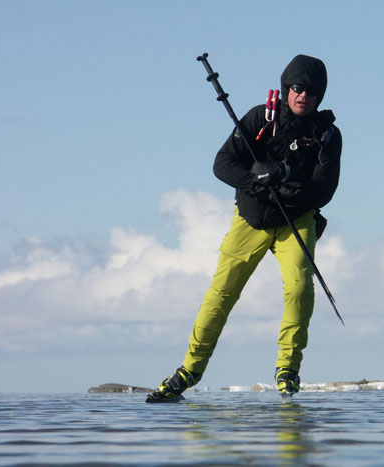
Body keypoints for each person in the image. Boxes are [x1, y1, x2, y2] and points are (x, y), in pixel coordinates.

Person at [146, 54, 342, 402]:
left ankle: (287, 369)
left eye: (312, 91)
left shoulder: (328, 135)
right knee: (220, 294)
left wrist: (286, 176)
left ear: (320, 96)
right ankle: (189, 370)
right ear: (286, 89)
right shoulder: (259, 118)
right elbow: (223, 164)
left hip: (295, 222)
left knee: (299, 289)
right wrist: (256, 179)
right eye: (297, 88)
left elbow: (323, 190)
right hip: (250, 219)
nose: (303, 96)